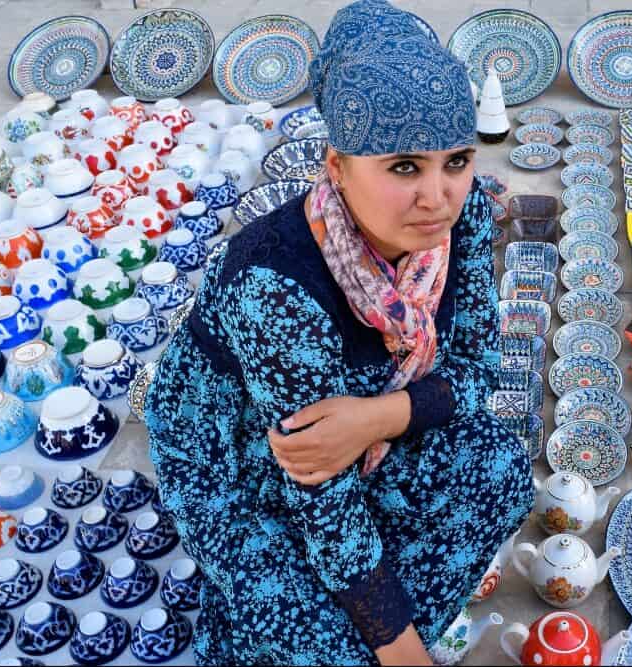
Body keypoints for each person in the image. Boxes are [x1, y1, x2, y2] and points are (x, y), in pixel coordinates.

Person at [143, 1, 534, 664]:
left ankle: (360, 612)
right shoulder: (274, 280)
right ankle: (260, 608)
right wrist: (398, 645)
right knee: (326, 640)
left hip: (353, 422)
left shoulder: (456, 221)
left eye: (456, 160)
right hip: (240, 454)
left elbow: (472, 371)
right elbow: (316, 478)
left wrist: (375, 417)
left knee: (500, 468)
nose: (437, 196)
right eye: (403, 166)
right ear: (337, 165)